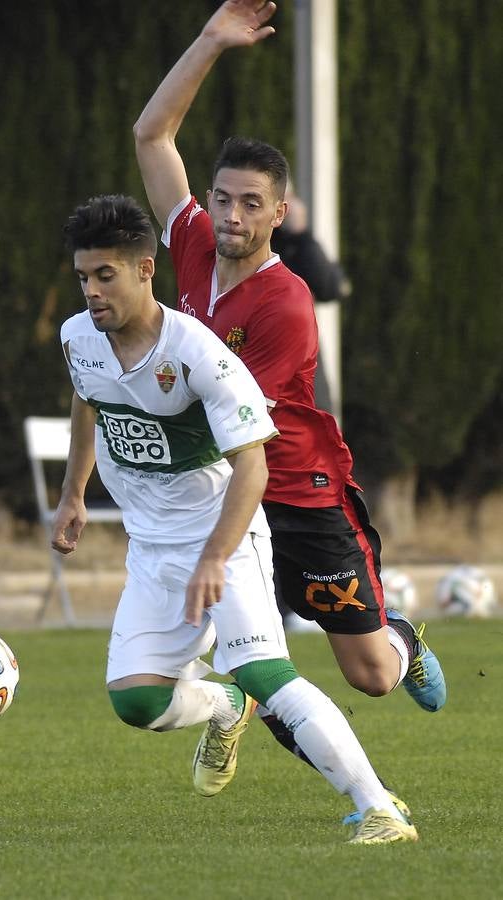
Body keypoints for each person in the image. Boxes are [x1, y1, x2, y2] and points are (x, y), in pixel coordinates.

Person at [133, 0, 446, 824]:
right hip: (225, 485)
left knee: (368, 674)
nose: (231, 217)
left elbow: (243, 425)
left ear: (280, 214)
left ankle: (405, 641)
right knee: (259, 666)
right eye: (223, 199)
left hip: (296, 489)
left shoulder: (287, 304)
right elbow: (151, 138)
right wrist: (208, 41)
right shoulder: (194, 242)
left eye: (250, 205)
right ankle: (259, 726)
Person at [51, 193, 418, 844]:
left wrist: (217, 556)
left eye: (105, 275)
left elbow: (252, 466)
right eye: (83, 277)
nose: (92, 292)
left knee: (267, 672)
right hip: (151, 551)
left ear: (145, 270)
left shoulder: (198, 354)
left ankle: (378, 808)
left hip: (225, 540)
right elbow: (87, 398)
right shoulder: (80, 336)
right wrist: (74, 492)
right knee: (137, 701)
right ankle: (226, 705)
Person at [271, 190, 351, 415]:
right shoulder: (240, 245)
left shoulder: (294, 245)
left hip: (304, 372)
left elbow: (332, 287)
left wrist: (301, 235)